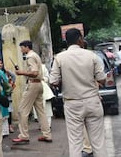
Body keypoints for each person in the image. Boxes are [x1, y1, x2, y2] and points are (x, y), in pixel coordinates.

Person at [50, 28, 107, 157]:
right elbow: (102, 79)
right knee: (98, 142)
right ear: (80, 39)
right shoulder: (91, 55)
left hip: (72, 103)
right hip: (93, 101)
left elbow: (53, 81)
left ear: (66, 41)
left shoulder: (59, 58)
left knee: (75, 142)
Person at [12, 40, 52, 144]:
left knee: (22, 111)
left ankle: (24, 135)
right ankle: (46, 134)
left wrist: (21, 72)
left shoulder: (30, 57)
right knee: (41, 111)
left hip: (33, 84)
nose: (21, 50)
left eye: (22, 48)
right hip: (39, 84)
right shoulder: (36, 55)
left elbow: (34, 72)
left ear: (26, 47)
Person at [0, 58, 16, 133]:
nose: (0, 64)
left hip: (7, 94)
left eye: (1, 63)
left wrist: (11, 84)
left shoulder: (5, 72)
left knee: (9, 110)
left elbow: (14, 76)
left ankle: (9, 126)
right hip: (0, 94)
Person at [32, 63, 55, 128]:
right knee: (37, 108)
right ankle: (41, 124)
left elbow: (47, 77)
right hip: (35, 89)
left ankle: (48, 124)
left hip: (44, 90)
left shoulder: (43, 67)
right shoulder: (31, 68)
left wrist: (41, 79)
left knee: (47, 109)